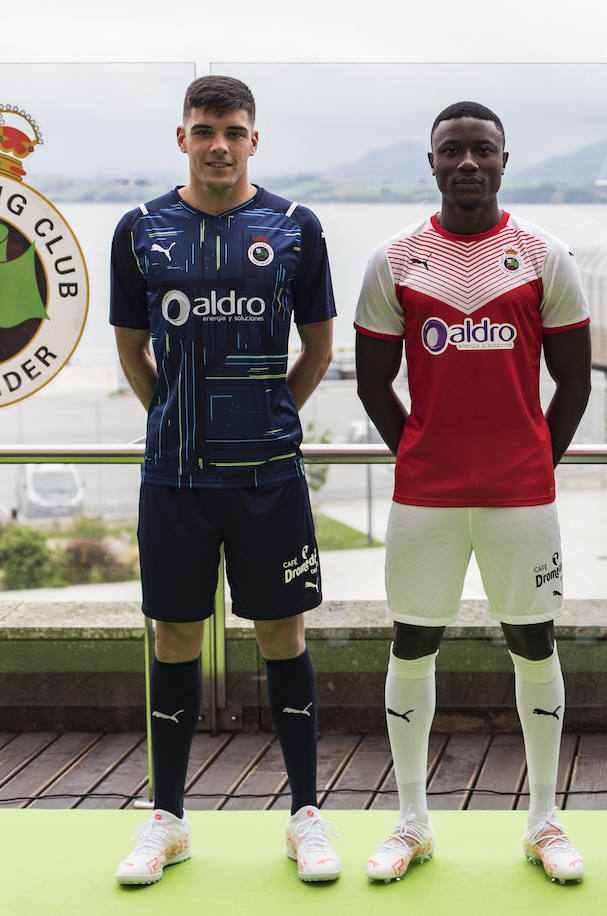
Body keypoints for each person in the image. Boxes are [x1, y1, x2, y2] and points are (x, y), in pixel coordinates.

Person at [354, 101, 592, 885]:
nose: (467, 162)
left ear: (503, 158)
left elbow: (574, 381)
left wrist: (534, 461)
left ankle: (545, 821)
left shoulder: (543, 254)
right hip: (425, 498)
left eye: (481, 150)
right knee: (413, 643)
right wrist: (422, 453)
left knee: (533, 642)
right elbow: (373, 383)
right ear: (432, 162)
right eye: (452, 150)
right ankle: (412, 821)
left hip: (522, 497)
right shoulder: (395, 260)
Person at [110, 75, 339, 885]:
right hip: (174, 475)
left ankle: (305, 816)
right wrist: (176, 418)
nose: (219, 144)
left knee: (283, 634)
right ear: (183, 137)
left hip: (268, 476)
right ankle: (168, 819)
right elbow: (132, 350)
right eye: (205, 130)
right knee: (174, 638)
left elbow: (316, 349)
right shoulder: (141, 230)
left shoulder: (293, 228)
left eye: (233, 131)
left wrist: (268, 416)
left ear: (253, 140)